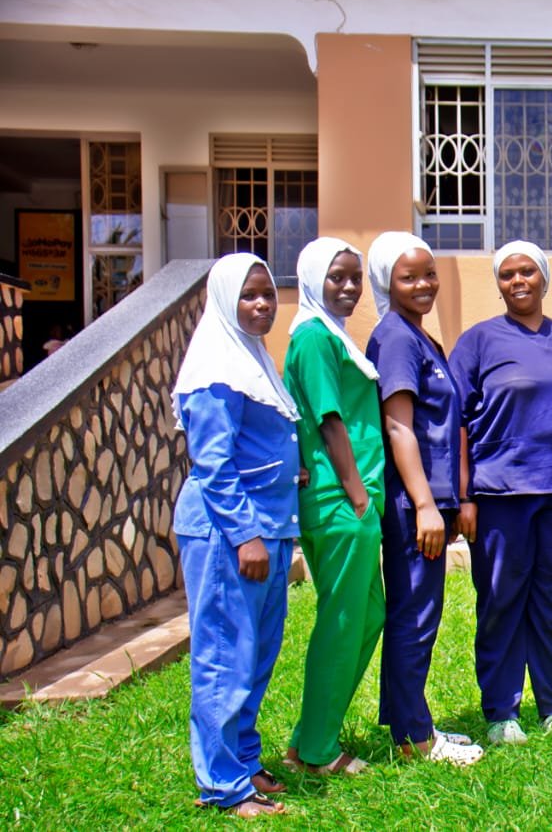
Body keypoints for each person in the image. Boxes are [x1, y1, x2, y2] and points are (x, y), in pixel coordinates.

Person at [449, 240, 552, 745]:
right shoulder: (479, 343)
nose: (518, 281)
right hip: (500, 495)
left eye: (527, 272)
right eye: (508, 274)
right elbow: (458, 426)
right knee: (500, 600)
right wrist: (465, 495)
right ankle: (501, 712)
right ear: (498, 283)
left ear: (544, 279)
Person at [172, 253, 300, 818]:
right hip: (229, 533)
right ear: (225, 298)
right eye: (249, 295)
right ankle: (222, 785)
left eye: (268, 294)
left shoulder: (252, 361)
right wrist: (246, 534)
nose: (261, 304)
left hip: (268, 530)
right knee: (225, 654)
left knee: (257, 654)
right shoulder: (214, 370)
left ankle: (244, 763)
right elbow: (213, 464)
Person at [365, 231, 483, 766]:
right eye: (408, 277)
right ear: (386, 283)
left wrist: (449, 500)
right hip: (413, 505)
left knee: (420, 611)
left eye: (429, 273)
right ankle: (413, 738)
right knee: (415, 614)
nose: (423, 284)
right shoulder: (395, 338)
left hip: (429, 501)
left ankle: (413, 725)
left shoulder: (420, 336)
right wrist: (427, 505)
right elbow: (399, 427)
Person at [281, 238, 385, 775]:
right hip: (342, 500)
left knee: (369, 615)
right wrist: (358, 491)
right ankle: (318, 751)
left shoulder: (334, 335)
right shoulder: (313, 338)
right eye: (337, 277)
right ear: (312, 279)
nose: (349, 287)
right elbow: (328, 419)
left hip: (355, 501)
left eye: (355, 277)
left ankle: (309, 737)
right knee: (343, 620)